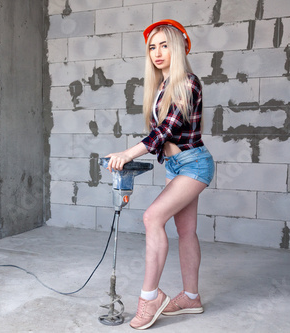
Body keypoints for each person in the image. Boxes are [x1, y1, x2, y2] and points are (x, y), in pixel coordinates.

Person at [106, 19, 214, 330]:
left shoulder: (188, 82)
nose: (157, 52)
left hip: (194, 164)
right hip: (176, 166)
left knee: (152, 217)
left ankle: (150, 297)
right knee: (186, 231)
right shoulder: (162, 86)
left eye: (164, 45)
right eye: (152, 47)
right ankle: (191, 298)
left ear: (179, 48)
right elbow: (160, 135)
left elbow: (166, 131)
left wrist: (128, 153)